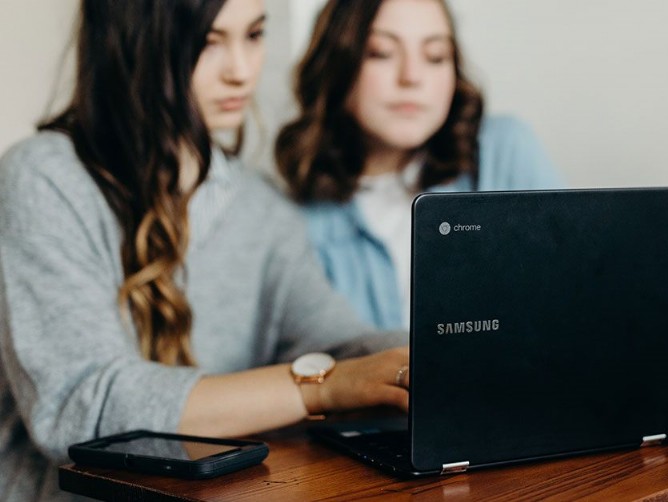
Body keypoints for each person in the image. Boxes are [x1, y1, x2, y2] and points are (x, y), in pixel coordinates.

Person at [0, 1, 409, 500]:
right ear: (134, 43)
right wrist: (322, 388)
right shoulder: (43, 178)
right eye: (210, 42)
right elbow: (82, 406)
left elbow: (339, 342)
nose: (241, 70)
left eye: (254, 35)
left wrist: (431, 354)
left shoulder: (262, 206)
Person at [275, 0, 564, 331]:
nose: (411, 77)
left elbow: (572, 299)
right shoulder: (293, 219)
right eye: (381, 52)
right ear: (335, 64)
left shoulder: (504, 150)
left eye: (435, 56)